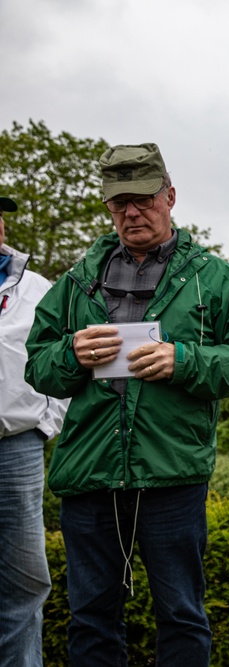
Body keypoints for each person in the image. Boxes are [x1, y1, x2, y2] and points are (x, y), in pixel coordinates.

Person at [24, 144, 229, 665]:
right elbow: (38, 367)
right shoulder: (75, 281)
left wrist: (186, 361)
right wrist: (71, 352)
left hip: (172, 473)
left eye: (142, 200)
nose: (131, 213)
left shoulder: (213, 277)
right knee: (91, 615)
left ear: (170, 197)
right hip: (90, 474)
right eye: (119, 204)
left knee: (181, 614)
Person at [1, 195, 68, 666]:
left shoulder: (39, 288)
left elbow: (62, 360)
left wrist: (45, 424)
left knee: (24, 582)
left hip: (15, 449)